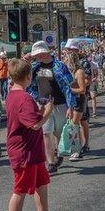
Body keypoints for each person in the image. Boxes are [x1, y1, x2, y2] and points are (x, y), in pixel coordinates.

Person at [2, 58, 64, 211]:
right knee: (20, 190)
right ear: (29, 76)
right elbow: (35, 125)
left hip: (32, 151)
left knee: (41, 184)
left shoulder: (14, 95)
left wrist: (39, 108)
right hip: (24, 151)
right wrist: (47, 111)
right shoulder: (23, 98)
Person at [28, 41, 77, 174]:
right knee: (46, 133)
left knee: (60, 133)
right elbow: (29, 85)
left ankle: (59, 154)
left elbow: (69, 87)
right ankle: (50, 163)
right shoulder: (34, 68)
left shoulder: (60, 66)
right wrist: (36, 99)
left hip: (60, 104)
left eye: (39, 54)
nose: (38, 57)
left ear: (45, 53)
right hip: (43, 105)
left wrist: (70, 106)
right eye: (36, 55)